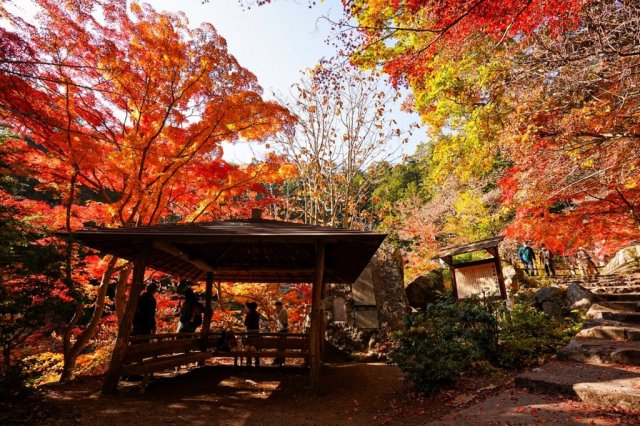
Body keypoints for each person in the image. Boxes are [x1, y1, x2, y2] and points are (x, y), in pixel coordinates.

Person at [244, 301, 261, 367]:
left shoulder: (249, 314)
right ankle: (257, 360)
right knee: (256, 346)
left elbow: (245, 323)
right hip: (256, 331)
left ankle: (249, 360)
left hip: (250, 331)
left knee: (249, 345)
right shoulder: (257, 314)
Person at [272, 300, 289, 366]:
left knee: (282, 346)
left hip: (284, 330)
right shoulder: (281, 311)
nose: (276, 308)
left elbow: (278, 318)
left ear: (279, 305)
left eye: (276, 306)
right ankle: (278, 360)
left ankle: (280, 361)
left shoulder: (283, 310)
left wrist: (276, 313)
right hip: (281, 330)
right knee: (279, 346)